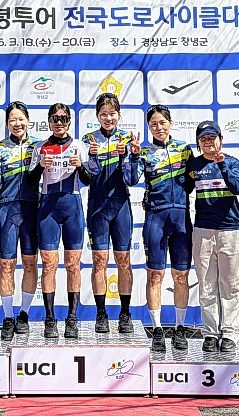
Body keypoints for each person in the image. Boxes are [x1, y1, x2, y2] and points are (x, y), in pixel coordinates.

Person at [128, 104, 193, 352]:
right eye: (153, 124)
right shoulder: (144, 151)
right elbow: (131, 179)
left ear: (170, 123)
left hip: (181, 218)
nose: (158, 127)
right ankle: (156, 329)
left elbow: (193, 182)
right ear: (149, 127)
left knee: (181, 276)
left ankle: (180, 328)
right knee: (155, 275)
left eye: (162, 122)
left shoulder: (184, 150)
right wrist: (134, 156)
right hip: (155, 218)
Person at [29, 103, 96, 339]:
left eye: (63, 118)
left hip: (72, 206)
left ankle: (72, 318)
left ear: (69, 121)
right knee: (48, 264)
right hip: (48, 207)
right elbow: (30, 181)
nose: (59, 123)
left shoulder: (78, 145)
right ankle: (50, 319)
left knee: (73, 264)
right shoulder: (40, 147)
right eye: (55, 119)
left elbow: (88, 180)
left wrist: (80, 166)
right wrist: (40, 166)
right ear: (49, 121)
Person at [185, 121, 239, 353]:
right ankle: (210, 333)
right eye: (203, 139)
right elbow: (184, 189)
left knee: (230, 285)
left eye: (212, 137)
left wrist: (222, 166)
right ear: (198, 143)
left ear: (221, 140)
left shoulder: (232, 162)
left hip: (229, 230)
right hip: (202, 230)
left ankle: (230, 333)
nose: (208, 142)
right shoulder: (194, 165)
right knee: (207, 285)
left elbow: (238, 188)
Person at [0, 101, 40, 341]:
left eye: (20, 119)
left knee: (30, 263)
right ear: (7, 124)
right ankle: (8, 317)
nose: (17, 124)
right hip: (7, 209)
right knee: (6, 264)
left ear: (28, 120)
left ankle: (24, 314)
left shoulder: (39, 146)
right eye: (12, 120)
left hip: (32, 208)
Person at [81, 93, 136, 334]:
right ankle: (101, 313)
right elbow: (87, 176)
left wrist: (128, 155)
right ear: (97, 116)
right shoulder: (88, 139)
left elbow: (132, 178)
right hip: (97, 207)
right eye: (103, 114)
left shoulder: (127, 138)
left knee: (123, 260)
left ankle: (125, 313)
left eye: (112, 113)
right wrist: (91, 156)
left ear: (119, 115)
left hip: (120, 205)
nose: (108, 118)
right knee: (99, 261)